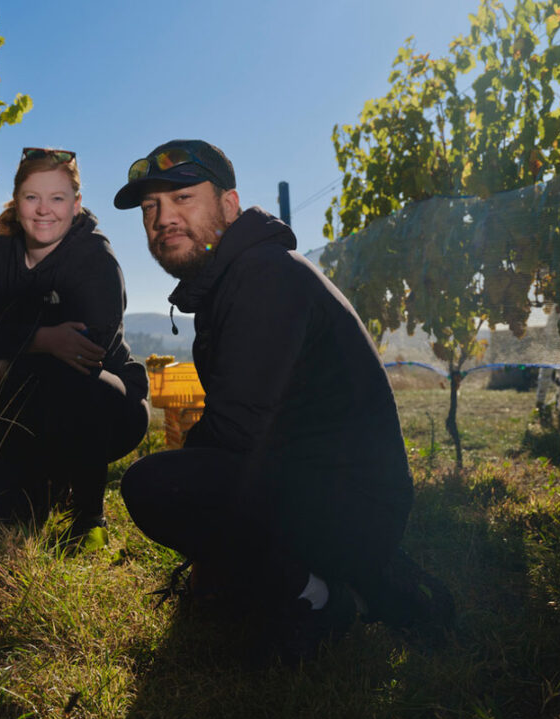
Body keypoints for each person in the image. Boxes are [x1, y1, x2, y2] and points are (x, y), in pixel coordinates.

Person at [114, 139, 453, 661]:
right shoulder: (238, 277)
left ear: (229, 205)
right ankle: (335, 577)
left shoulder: (264, 277)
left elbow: (235, 431)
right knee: (187, 480)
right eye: (151, 208)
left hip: (353, 507)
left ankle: (326, 597)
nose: (163, 219)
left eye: (183, 198)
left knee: (157, 485)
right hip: (327, 487)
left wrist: (205, 533)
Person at [0, 147, 149, 542]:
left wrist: (2, 364)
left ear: (76, 204)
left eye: (57, 198)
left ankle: (89, 519)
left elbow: (84, 354)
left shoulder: (95, 260)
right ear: (17, 200)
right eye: (32, 197)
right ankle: (48, 486)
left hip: (106, 407)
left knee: (75, 376)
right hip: (19, 410)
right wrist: (41, 338)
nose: (44, 210)